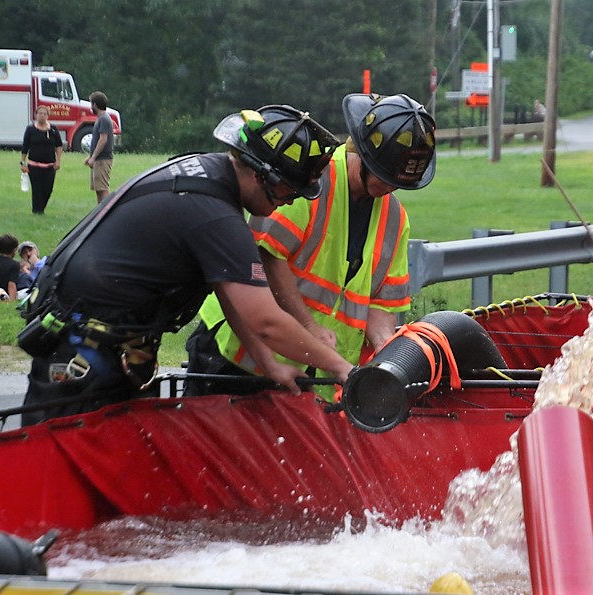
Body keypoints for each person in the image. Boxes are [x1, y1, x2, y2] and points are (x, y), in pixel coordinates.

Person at [19, 104, 355, 426]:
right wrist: (342, 369)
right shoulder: (215, 216)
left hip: (108, 343)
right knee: (61, 469)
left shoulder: (210, 177)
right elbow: (266, 320)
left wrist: (267, 363)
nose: (290, 199)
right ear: (257, 172)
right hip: (84, 355)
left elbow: (230, 293)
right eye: (286, 188)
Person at [185, 93, 437, 398]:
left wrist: (387, 352)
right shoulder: (310, 175)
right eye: (383, 175)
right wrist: (307, 325)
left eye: (398, 182)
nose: (389, 188)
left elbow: (383, 305)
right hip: (238, 356)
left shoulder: (395, 219)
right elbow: (267, 254)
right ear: (362, 151)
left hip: (310, 376)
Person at [21, 105, 64, 214]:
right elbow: (25, 146)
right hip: (34, 165)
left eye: (45, 114)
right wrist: (23, 163)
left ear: (48, 116)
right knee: (37, 189)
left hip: (50, 166)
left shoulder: (53, 129)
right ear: (36, 115)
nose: (42, 116)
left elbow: (59, 146)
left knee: (47, 189)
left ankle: (41, 208)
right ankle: (37, 211)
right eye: (40, 113)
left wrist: (58, 161)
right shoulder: (30, 129)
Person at [83, 91, 114, 203]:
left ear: (95, 105)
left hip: (103, 160)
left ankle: (106, 212)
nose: (91, 106)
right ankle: (100, 213)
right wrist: (90, 157)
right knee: (98, 190)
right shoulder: (101, 119)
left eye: (91, 103)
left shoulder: (104, 119)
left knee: (103, 189)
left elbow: (103, 139)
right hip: (98, 159)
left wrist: (93, 157)